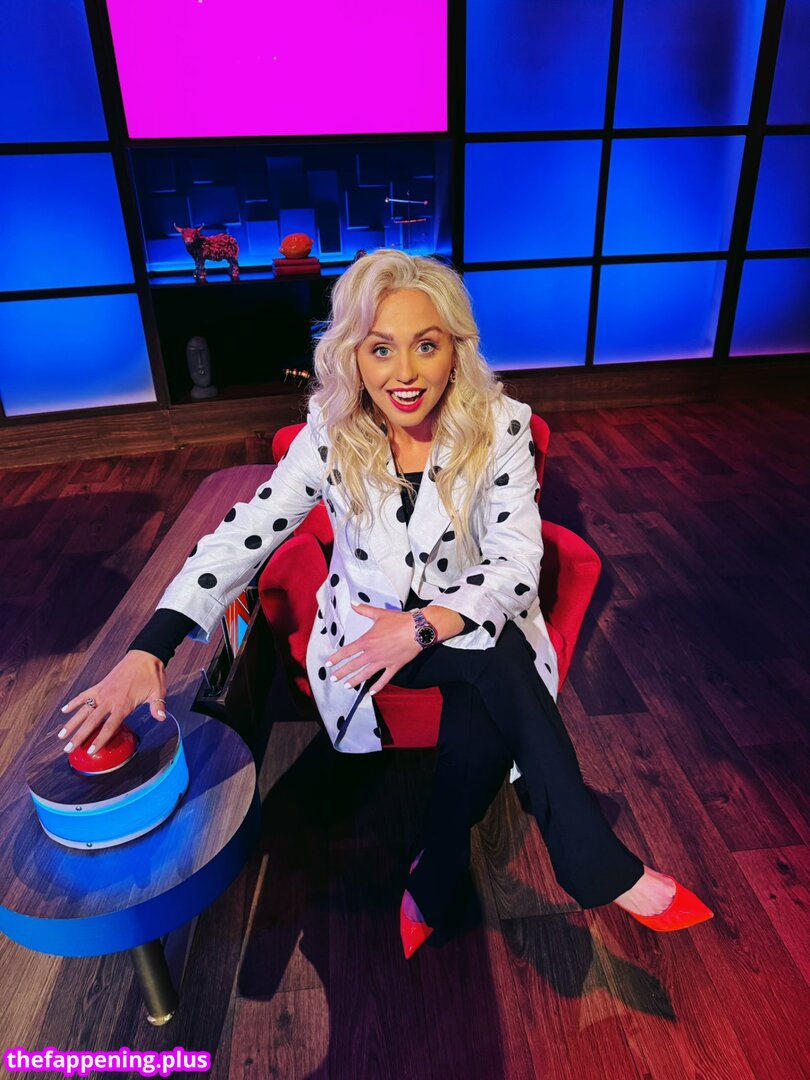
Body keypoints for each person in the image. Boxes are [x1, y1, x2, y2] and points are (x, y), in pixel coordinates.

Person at [57, 248, 713, 958]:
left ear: (455, 350)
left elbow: (517, 562)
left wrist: (425, 625)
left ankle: (440, 866)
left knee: (490, 661)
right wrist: (150, 646)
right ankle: (582, 858)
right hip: (370, 631)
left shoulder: (501, 424)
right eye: (380, 349)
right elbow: (249, 529)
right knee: (497, 665)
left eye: (426, 346)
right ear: (353, 356)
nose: (405, 373)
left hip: (470, 614)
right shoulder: (331, 430)